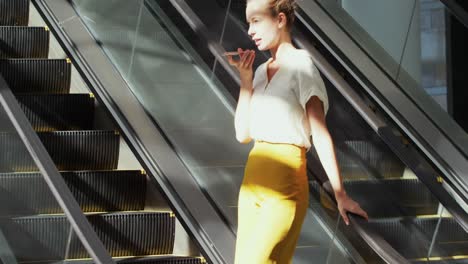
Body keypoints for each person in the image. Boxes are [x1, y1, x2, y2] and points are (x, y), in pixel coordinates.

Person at [226, 0, 369, 263]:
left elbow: (320, 131)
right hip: (252, 181)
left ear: (280, 20)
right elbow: (242, 134)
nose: (249, 31)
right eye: (248, 23)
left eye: (256, 21)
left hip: (285, 182)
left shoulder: (301, 65)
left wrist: (340, 193)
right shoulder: (258, 72)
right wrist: (245, 81)